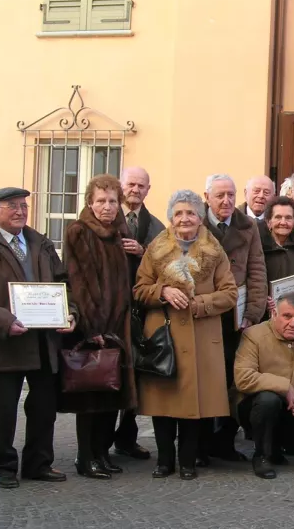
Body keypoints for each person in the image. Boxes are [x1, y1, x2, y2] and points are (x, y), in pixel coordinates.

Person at [0, 187, 78, 489]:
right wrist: (5, 320)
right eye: (11, 206)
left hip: (43, 341)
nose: (20, 211)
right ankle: (3, 465)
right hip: (5, 342)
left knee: (43, 407)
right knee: (3, 409)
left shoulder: (41, 243)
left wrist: (70, 313)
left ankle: (39, 462)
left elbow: (63, 284)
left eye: (24, 206)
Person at [133, 190, 238, 480]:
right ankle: (164, 460)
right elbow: (140, 290)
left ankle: (189, 461)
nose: (184, 218)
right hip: (163, 335)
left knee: (194, 402)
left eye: (190, 213)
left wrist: (199, 304)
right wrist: (162, 291)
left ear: (200, 217)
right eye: (178, 213)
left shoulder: (214, 250)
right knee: (163, 402)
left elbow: (230, 294)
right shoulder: (155, 248)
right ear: (170, 218)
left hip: (202, 335)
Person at [59, 174, 138, 479]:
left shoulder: (121, 233)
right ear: (89, 203)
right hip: (92, 326)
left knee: (111, 392)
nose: (107, 207)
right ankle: (85, 457)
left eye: (113, 201)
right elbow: (79, 282)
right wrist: (93, 328)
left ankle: (102, 453)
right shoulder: (79, 231)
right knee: (90, 395)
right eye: (101, 201)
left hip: (119, 325)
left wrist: (138, 252)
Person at [203, 173, 268, 461]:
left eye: (230, 195)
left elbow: (257, 271)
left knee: (233, 379)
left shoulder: (247, 225)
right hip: (203, 315)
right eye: (220, 195)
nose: (227, 201)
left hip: (236, 317)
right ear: (207, 197)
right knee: (204, 380)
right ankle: (199, 444)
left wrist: (253, 314)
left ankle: (224, 442)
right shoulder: (194, 223)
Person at [233, 293, 294, 480]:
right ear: (274, 314)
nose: (293, 323)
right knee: (268, 400)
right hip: (254, 406)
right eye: (287, 316)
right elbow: (243, 377)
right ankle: (261, 456)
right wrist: (285, 387)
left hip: (291, 410)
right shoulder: (254, 335)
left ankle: (278, 447)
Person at [114, 166, 165, 461]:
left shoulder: (156, 226)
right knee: (111, 373)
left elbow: (165, 264)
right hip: (113, 306)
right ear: (121, 186)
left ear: (148, 190)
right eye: (131, 184)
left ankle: (126, 437)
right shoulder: (107, 219)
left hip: (142, 308)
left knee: (138, 374)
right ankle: (101, 441)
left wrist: (143, 251)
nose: (135, 190)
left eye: (141, 186)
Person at [261, 196, 294, 315]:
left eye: (288, 218)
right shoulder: (259, 248)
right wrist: (262, 300)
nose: (283, 222)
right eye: (278, 217)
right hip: (265, 314)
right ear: (268, 222)